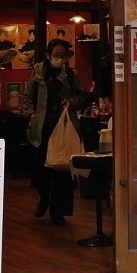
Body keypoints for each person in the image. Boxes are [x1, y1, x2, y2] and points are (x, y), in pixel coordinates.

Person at [21, 39, 91, 226]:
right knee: (39, 171)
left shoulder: (71, 74)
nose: (59, 58)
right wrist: (32, 114)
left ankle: (57, 212)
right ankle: (44, 198)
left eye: (62, 55)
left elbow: (82, 96)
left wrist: (71, 102)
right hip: (41, 129)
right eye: (55, 55)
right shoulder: (38, 73)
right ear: (48, 55)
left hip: (62, 128)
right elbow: (28, 97)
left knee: (61, 172)